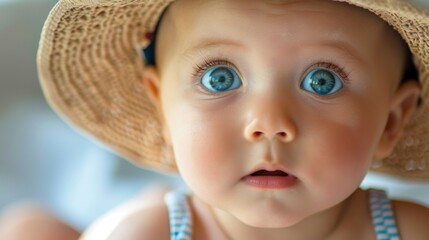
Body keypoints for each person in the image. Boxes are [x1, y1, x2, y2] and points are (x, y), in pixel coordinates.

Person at [9, 0, 429, 239]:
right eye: (219, 77)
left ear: (391, 122)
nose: (268, 122)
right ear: (163, 109)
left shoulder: (405, 231)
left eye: (322, 81)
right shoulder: (147, 234)